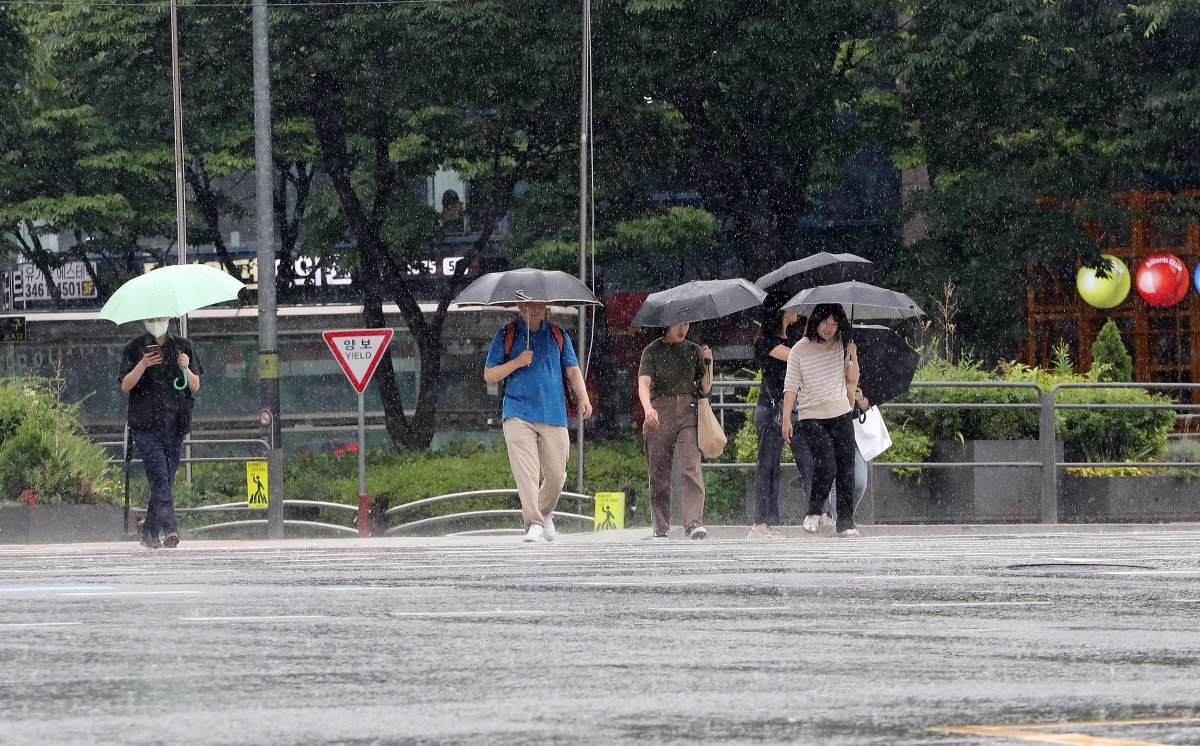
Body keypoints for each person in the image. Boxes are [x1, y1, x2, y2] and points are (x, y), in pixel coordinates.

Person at [484, 301, 593, 543]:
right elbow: (490, 374)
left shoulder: (557, 333)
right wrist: (517, 362)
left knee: (556, 474)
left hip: (554, 413)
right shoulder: (507, 334)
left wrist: (583, 398)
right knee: (528, 473)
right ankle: (533, 522)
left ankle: (544, 513)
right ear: (519, 306)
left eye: (539, 304)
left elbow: (573, 371)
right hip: (517, 411)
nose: (535, 308)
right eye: (529, 304)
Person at [118, 316, 203, 549]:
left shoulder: (183, 347)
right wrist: (143, 364)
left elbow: (195, 385)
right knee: (159, 475)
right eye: (152, 318)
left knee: (166, 477)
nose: (157, 322)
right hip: (145, 424)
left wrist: (185, 367)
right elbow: (125, 385)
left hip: (175, 421)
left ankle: (149, 531)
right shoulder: (135, 348)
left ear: (168, 318)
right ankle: (170, 528)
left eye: (161, 317)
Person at [781, 304, 862, 537]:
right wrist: (787, 418)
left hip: (841, 412)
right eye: (825, 322)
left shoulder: (841, 345)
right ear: (815, 321)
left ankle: (846, 522)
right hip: (811, 415)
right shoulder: (799, 350)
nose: (829, 328)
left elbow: (852, 378)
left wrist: (852, 354)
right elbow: (790, 387)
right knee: (827, 464)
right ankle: (814, 512)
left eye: (835, 323)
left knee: (847, 469)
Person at [637, 322, 713, 539]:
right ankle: (660, 525)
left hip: (689, 409)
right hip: (660, 409)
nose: (683, 329)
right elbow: (643, 384)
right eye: (678, 325)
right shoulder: (652, 350)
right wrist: (648, 408)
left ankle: (693, 523)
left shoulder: (693, 350)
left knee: (692, 465)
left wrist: (709, 361)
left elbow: (705, 388)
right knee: (659, 470)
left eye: (686, 324)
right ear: (666, 325)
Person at [749, 302, 809, 539]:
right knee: (768, 466)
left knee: (807, 459)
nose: (796, 310)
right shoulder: (766, 341)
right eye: (792, 306)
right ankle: (761, 523)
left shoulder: (792, 336)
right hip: (769, 409)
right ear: (781, 312)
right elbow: (796, 357)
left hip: (789, 411)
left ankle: (820, 513)